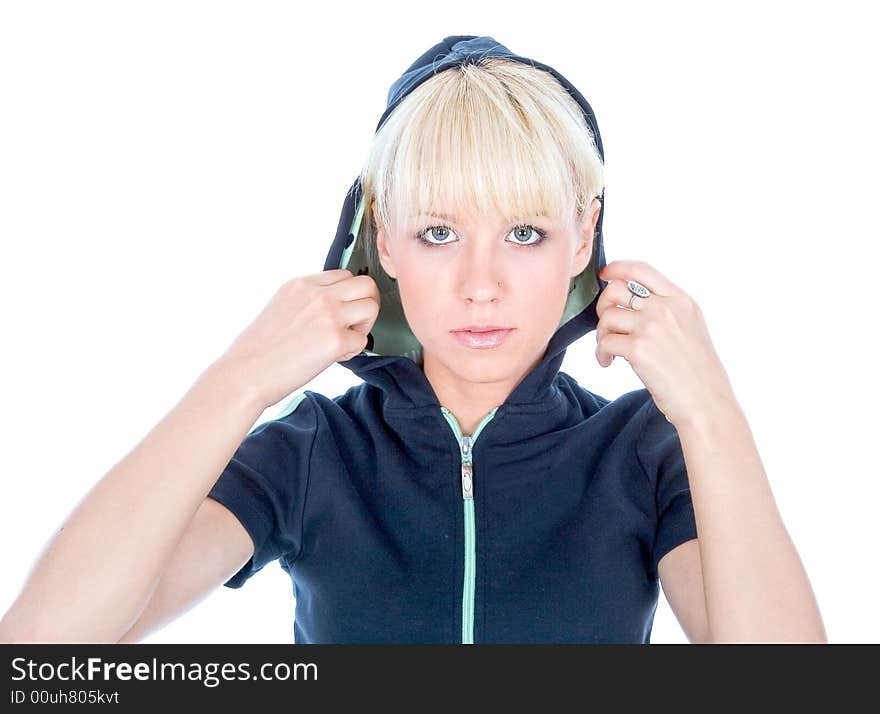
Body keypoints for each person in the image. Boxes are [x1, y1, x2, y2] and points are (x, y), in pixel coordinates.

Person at [0, 35, 826, 644]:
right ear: (383, 241)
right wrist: (239, 380)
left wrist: (711, 411)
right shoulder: (315, 451)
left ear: (584, 238)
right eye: (437, 232)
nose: (480, 283)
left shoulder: (641, 452)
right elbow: (45, 651)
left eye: (526, 233)